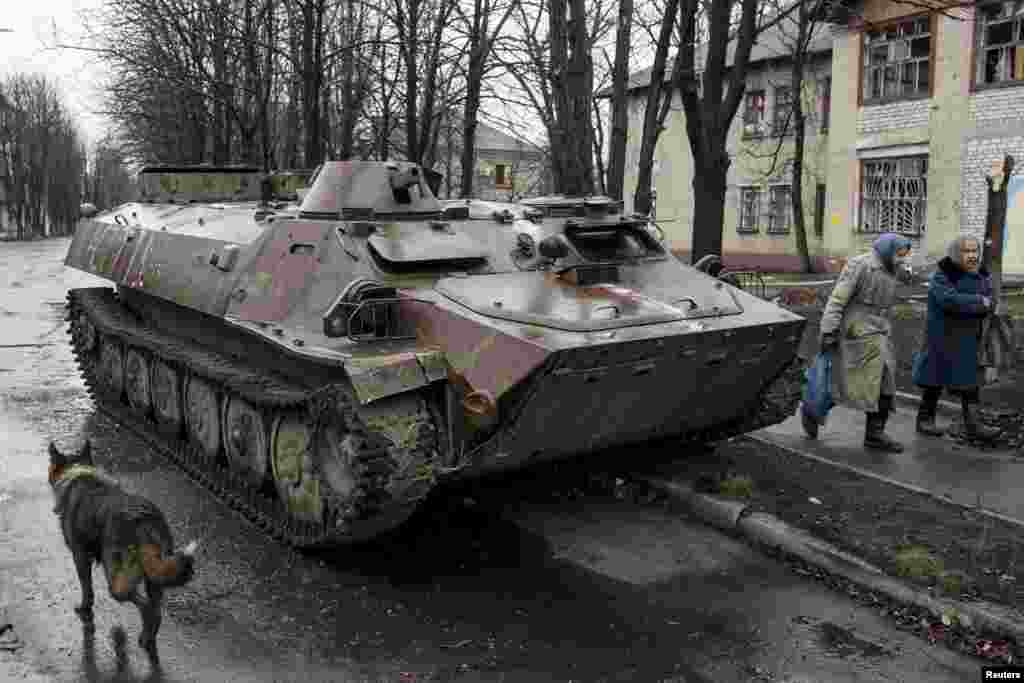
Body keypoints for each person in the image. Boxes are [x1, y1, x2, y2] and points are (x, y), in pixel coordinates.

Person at [802, 232, 913, 452]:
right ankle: (812, 410)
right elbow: (838, 299)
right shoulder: (860, 265)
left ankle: (875, 434)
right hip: (856, 330)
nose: (902, 258)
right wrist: (829, 330)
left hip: (880, 330)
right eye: (899, 254)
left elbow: (905, 281)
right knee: (847, 384)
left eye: (904, 255)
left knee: (885, 380)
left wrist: (905, 270)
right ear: (888, 250)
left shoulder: (892, 267)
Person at [912, 235, 1001, 441]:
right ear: (956, 253)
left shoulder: (982, 274)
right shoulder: (944, 274)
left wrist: (985, 304)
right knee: (933, 380)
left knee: (971, 382)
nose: (972, 256)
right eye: (966, 251)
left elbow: (991, 300)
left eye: (975, 251)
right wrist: (979, 302)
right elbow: (949, 300)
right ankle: (925, 420)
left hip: (969, 338)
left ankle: (974, 425)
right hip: (942, 337)